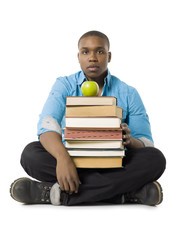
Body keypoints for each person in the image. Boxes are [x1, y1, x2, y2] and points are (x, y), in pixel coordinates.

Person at [10, 30, 166, 206]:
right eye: (86, 52)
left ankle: (54, 194)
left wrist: (130, 141)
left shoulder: (129, 92)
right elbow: (47, 125)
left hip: (115, 163)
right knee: (30, 154)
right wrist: (63, 159)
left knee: (155, 159)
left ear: (109, 56)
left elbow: (146, 143)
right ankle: (126, 193)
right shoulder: (64, 84)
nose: (92, 57)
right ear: (78, 56)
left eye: (99, 51)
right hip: (72, 160)